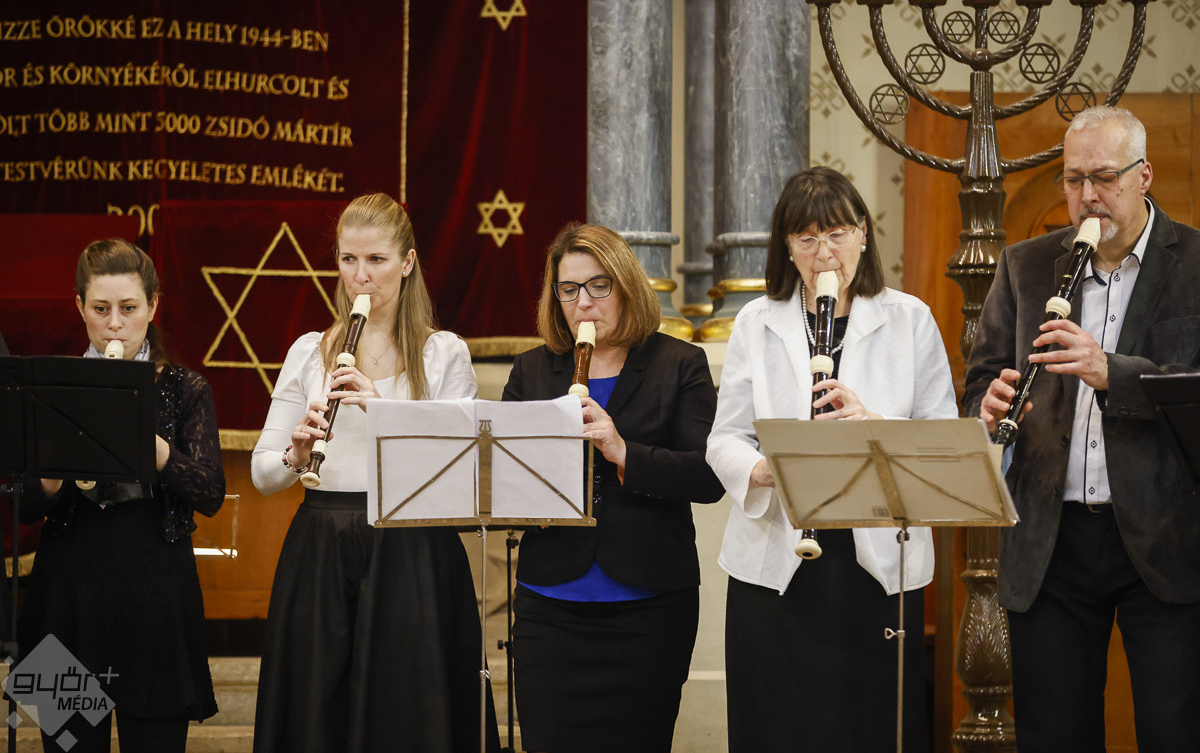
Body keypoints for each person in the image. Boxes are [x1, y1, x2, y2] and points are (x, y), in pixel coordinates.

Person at [963, 105, 1200, 751]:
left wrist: (1109, 371)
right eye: (1073, 179)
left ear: (1143, 175)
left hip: (1167, 535)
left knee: (1175, 730)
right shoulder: (1025, 266)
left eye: (1104, 177)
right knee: (1054, 734)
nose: (1087, 196)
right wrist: (988, 406)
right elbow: (979, 382)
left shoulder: (1194, 262)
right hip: (1052, 538)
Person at [706, 167, 957, 752]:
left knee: (869, 727)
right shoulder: (756, 321)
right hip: (777, 562)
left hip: (874, 567)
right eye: (807, 239)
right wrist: (763, 469)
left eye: (838, 234)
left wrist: (872, 423)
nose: (825, 254)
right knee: (777, 728)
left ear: (864, 235)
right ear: (787, 247)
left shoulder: (910, 318)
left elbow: (943, 438)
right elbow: (724, 438)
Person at [250, 193, 497, 753]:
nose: (360, 277)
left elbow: (459, 473)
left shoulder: (443, 354)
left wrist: (383, 411)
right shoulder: (309, 351)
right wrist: (296, 453)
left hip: (411, 546)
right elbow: (264, 475)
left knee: (406, 714)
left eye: (377, 260)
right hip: (322, 544)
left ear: (407, 263)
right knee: (319, 714)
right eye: (348, 260)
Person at [501, 224, 725, 752]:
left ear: (626, 287)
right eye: (569, 289)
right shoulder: (532, 370)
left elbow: (709, 477)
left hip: (648, 608)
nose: (583, 303)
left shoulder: (679, 364)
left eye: (599, 286)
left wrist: (624, 451)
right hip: (549, 607)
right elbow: (499, 480)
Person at [20, 238, 224, 753]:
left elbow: (210, 492)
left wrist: (152, 447)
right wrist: (51, 475)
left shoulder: (186, 389)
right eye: (101, 309)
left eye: (129, 308)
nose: (114, 325)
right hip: (66, 596)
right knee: (67, 744)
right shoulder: (50, 387)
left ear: (152, 307)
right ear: (80, 307)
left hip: (155, 596)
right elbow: (24, 509)